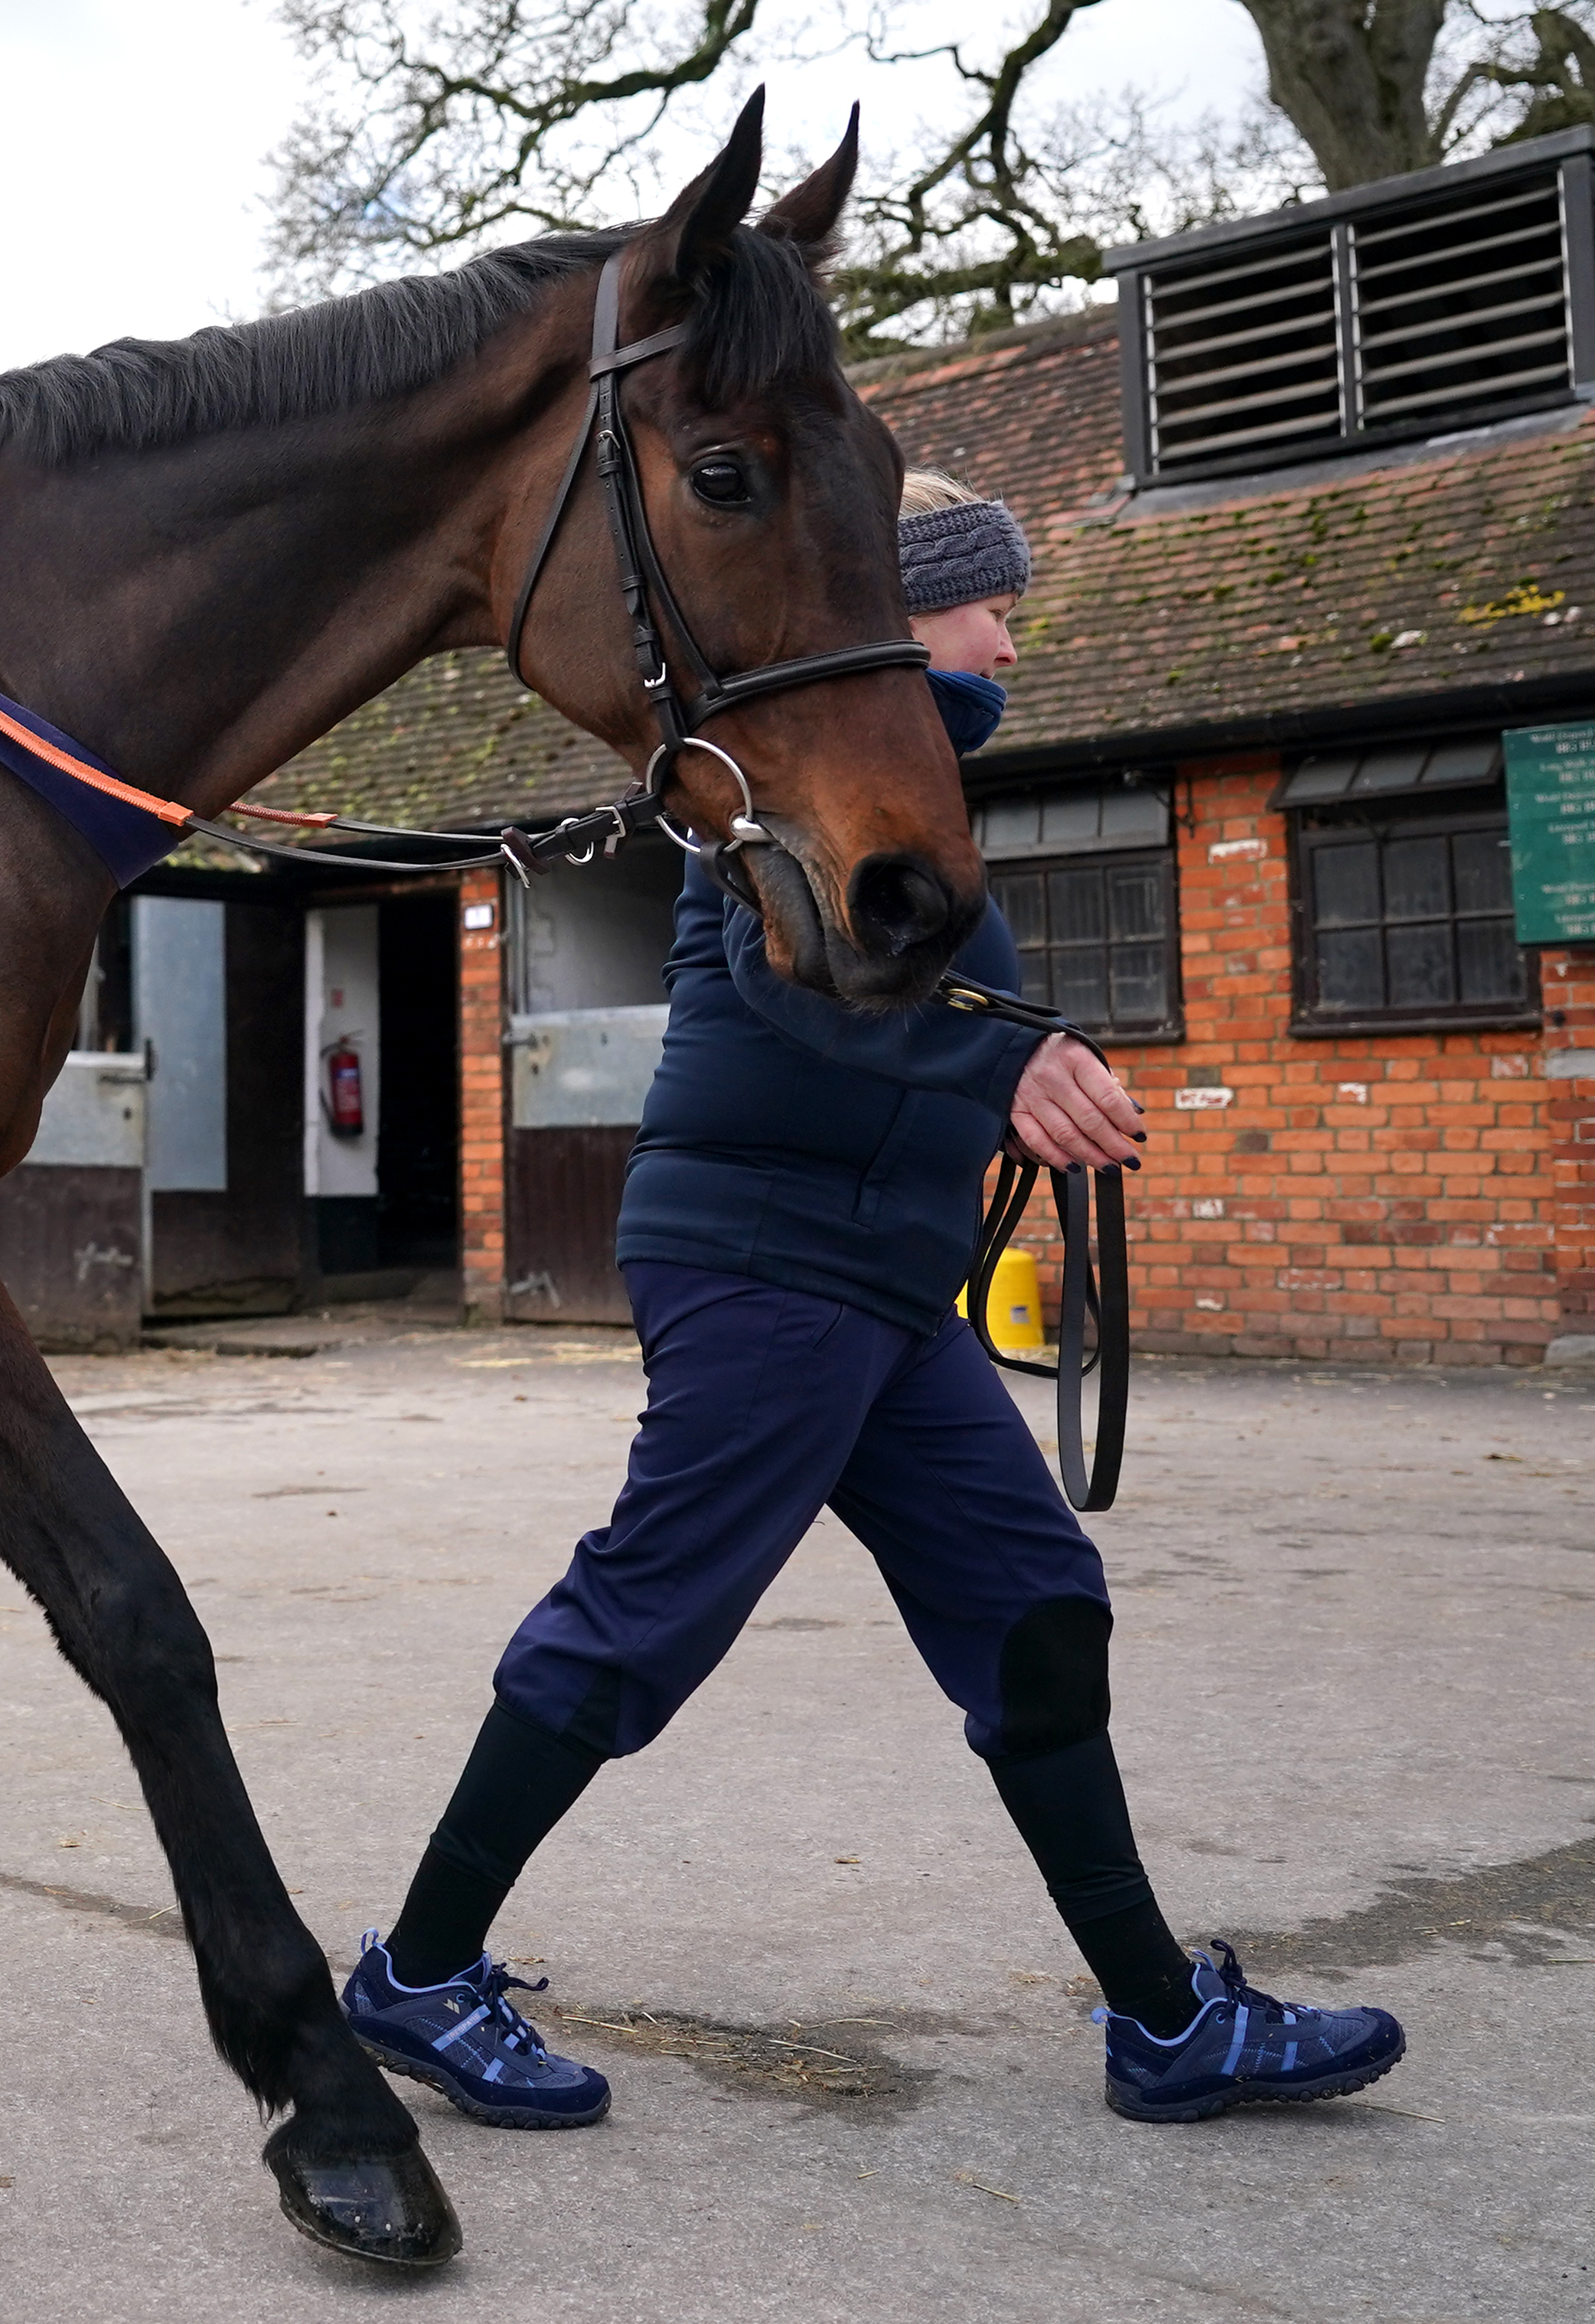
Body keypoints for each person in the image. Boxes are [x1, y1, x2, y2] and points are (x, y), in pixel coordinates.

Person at [338, 471, 1405, 2129]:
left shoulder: (915, 800)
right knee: (643, 1618)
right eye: (989, 601)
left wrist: (1018, 1063)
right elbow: (799, 997)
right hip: (762, 1263)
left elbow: (926, 1000)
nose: (1012, 632)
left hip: (886, 1290)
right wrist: (1008, 1055)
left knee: (1038, 1610)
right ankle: (414, 1973)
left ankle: (1161, 2024)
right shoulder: (758, 795)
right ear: (897, 614)